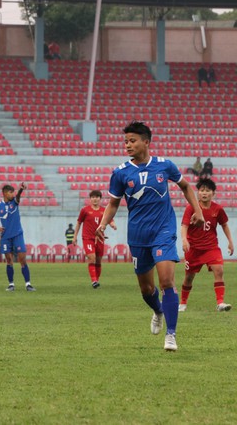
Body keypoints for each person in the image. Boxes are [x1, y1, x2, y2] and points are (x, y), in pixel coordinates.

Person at [95, 121, 204, 352]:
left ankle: (171, 335)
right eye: (125, 141)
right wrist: (103, 223)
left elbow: (185, 187)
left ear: (146, 141)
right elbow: (113, 203)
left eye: (132, 140)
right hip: (138, 236)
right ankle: (158, 311)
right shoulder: (121, 172)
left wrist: (198, 210)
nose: (127, 145)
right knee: (146, 290)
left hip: (163, 231)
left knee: (166, 281)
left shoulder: (165, 166)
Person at [179, 178, 234, 312]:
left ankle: (220, 302)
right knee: (189, 277)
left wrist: (230, 241)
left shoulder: (218, 209)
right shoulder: (191, 208)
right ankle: (183, 303)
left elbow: (224, 225)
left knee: (219, 270)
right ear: (198, 193)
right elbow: (184, 226)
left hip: (211, 248)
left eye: (207, 190)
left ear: (213, 193)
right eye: (202, 190)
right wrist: (184, 240)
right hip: (194, 249)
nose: (204, 193)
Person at [0, 182, 35, 292]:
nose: (13, 194)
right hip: (5, 237)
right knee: (9, 260)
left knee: (22, 259)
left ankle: (28, 284)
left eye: (13, 192)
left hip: (17, 235)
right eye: (10, 192)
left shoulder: (15, 202)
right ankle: (11, 284)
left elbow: (18, 196)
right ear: (4, 193)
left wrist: (21, 190)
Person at [74, 190, 117, 289]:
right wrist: (75, 236)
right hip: (88, 238)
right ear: (90, 199)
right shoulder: (85, 210)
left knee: (98, 261)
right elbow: (79, 222)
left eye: (97, 197)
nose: (95, 199)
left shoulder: (104, 210)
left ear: (100, 199)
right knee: (91, 258)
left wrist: (112, 224)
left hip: (100, 238)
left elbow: (109, 219)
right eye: (93, 197)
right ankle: (93, 280)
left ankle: (96, 280)